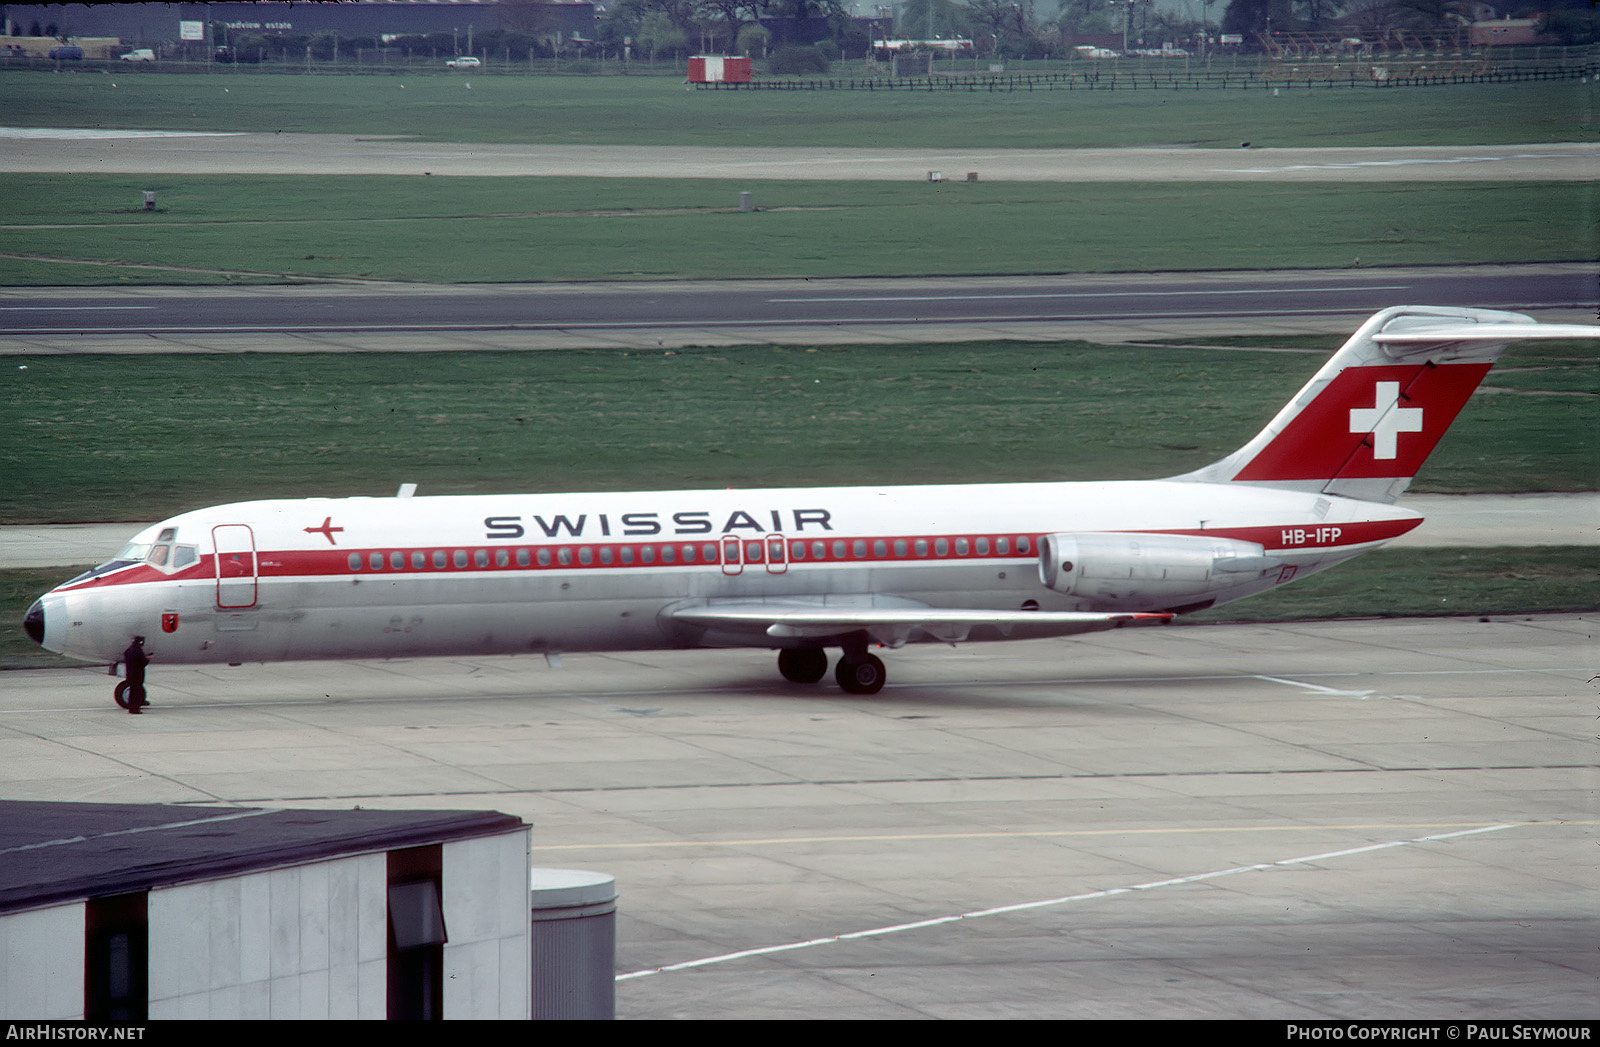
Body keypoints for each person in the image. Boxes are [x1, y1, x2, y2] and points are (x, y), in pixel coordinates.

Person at [122, 636, 151, 714]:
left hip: (130, 675)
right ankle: (134, 709)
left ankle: (134, 706)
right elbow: (143, 662)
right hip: (137, 675)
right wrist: (148, 658)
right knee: (136, 693)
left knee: (133, 692)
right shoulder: (138, 651)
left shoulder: (128, 651)